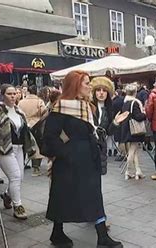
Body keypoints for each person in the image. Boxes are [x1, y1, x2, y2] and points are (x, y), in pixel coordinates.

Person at [42, 70, 122, 248]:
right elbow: (49, 137)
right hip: (68, 162)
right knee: (62, 196)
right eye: (86, 83)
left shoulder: (88, 106)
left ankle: (102, 237)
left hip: (89, 158)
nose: (90, 86)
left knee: (94, 195)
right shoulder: (60, 107)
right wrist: (66, 153)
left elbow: (95, 131)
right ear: (76, 85)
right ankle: (57, 233)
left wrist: (114, 125)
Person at [0, 84, 38, 220]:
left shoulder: (19, 111)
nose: (13, 96)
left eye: (15, 93)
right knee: (15, 177)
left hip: (20, 148)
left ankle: (8, 195)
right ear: (2, 95)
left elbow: (25, 131)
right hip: (4, 149)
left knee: (19, 177)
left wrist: (31, 146)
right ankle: (18, 206)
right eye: (9, 94)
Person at [18, 85, 47, 176]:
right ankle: (36, 168)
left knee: (24, 144)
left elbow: (18, 112)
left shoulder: (21, 102)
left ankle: (20, 164)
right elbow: (45, 112)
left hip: (24, 124)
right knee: (37, 146)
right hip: (37, 124)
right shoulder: (39, 101)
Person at [120, 83, 147, 180]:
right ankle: (128, 171)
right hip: (134, 130)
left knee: (134, 151)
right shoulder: (135, 103)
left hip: (126, 129)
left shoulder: (125, 103)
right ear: (135, 92)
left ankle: (138, 171)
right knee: (132, 151)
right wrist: (145, 114)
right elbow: (138, 117)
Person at [90, 77, 114, 175]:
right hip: (89, 144)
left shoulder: (109, 109)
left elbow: (109, 132)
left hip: (101, 147)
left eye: (104, 90)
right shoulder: (89, 106)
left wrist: (115, 123)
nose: (101, 93)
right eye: (98, 90)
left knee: (98, 177)